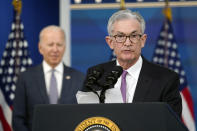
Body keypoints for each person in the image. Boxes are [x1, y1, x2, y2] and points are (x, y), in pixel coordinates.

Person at [77, 9, 182, 118]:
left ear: (143, 40)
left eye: (133, 36)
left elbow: (171, 124)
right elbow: (85, 118)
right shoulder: (96, 74)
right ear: (110, 42)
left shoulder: (166, 79)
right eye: (120, 36)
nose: (127, 43)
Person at [12, 25, 85, 131]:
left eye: (59, 45)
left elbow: (84, 117)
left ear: (64, 47)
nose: (55, 49)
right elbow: (18, 120)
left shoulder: (80, 78)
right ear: (40, 48)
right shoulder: (25, 78)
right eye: (50, 44)